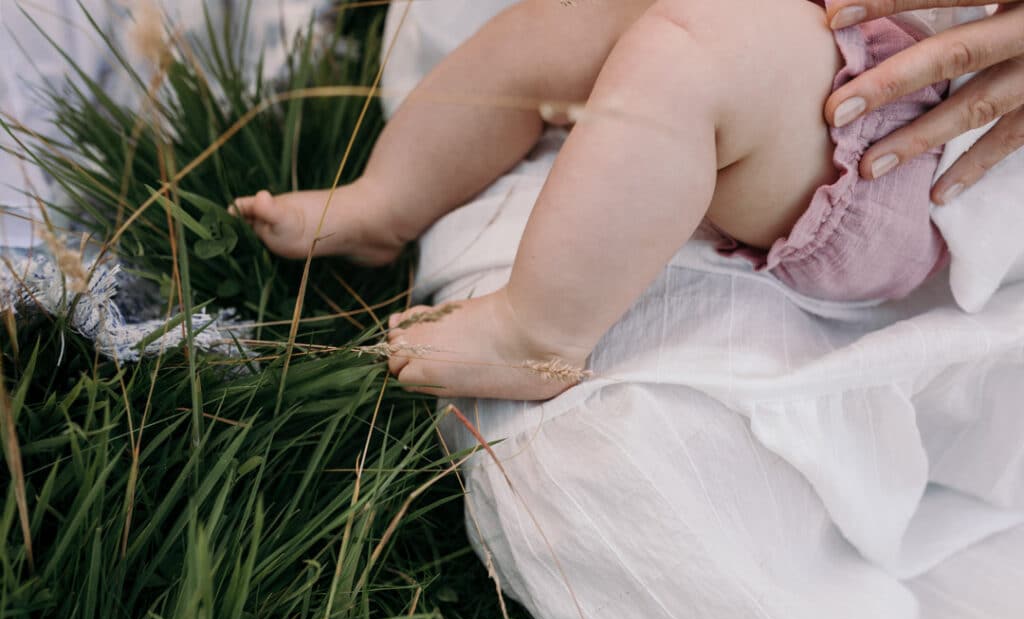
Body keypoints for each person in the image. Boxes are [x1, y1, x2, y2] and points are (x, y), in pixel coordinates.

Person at [233, 0, 978, 401]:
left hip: (892, 115)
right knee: (554, 24)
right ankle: (386, 202)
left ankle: (537, 333)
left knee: (688, 55)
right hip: (795, 23)